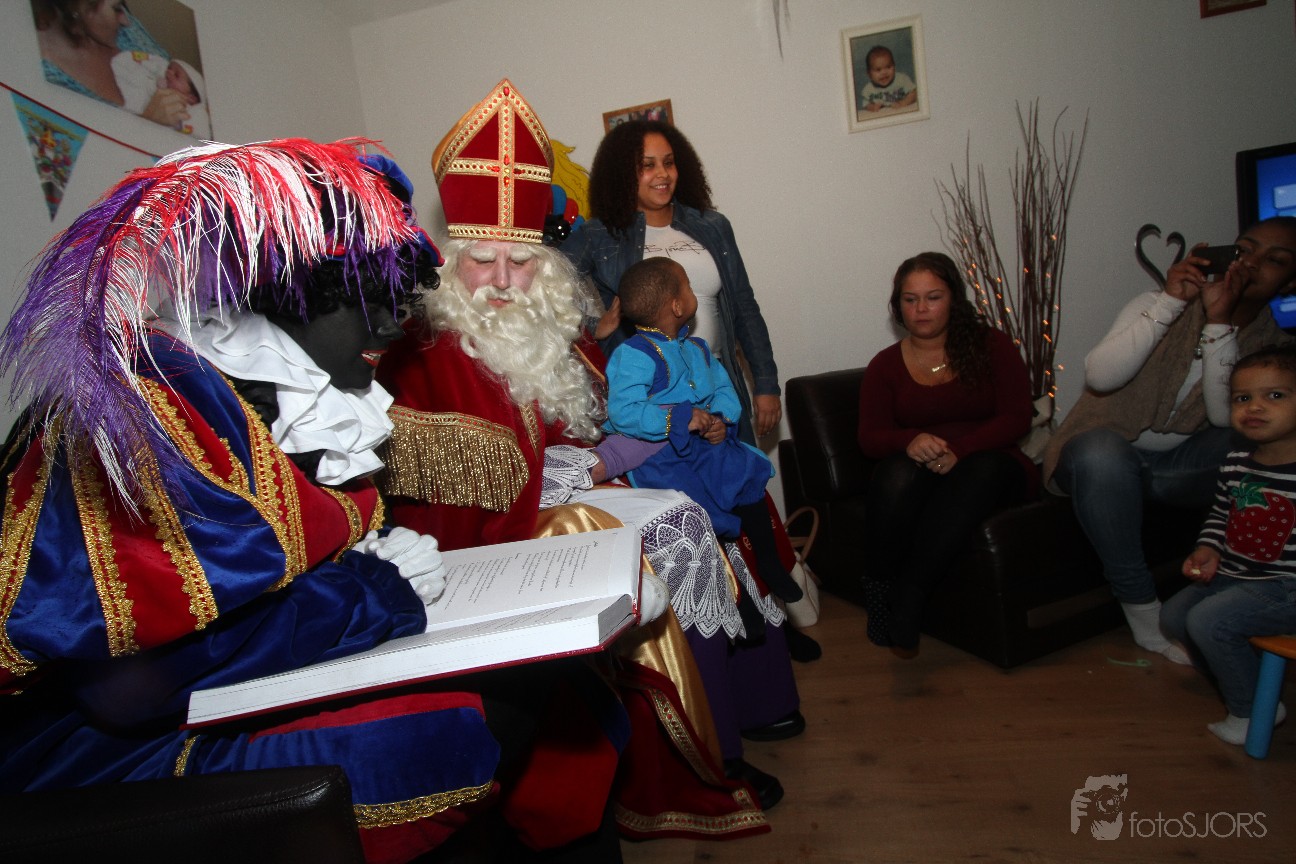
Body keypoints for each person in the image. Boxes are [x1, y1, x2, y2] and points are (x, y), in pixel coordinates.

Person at [0, 139, 628, 864]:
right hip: (96, 756)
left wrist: (364, 576)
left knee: (557, 688)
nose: (392, 327)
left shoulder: (294, 399)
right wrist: (367, 593)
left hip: (226, 698)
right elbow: (127, 691)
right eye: (368, 302)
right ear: (282, 296)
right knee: (461, 730)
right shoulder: (156, 411)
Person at [377, 78, 801, 824]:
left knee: (701, 506)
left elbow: (598, 419)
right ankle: (688, 763)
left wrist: (617, 456)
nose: (502, 282)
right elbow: (435, 492)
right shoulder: (421, 351)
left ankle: (736, 719)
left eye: (520, 262)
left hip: (580, 491)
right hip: (494, 546)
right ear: (451, 263)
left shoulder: (556, 331)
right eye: (483, 260)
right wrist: (581, 474)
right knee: (658, 533)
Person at [1043, 216, 1296, 664]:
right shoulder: (1157, 303)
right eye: (1245, 249)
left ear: (1289, 283)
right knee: (1101, 453)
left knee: (1251, 438)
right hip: (1101, 456)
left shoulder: (1273, 348)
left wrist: (1218, 324)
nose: (1253, 263)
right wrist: (1170, 302)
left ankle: (1246, 590)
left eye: (1274, 260)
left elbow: (1223, 417)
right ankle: (1142, 608)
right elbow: (1100, 377)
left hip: (1181, 469)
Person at [560, 119, 780, 448]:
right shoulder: (599, 235)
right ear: (623, 173)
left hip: (716, 386)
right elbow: (543, 287)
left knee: (737, 476)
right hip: (650, 402)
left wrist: (765, 383)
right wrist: (593, 326)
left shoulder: (713, 226)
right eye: (647, 165)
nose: (662, 174)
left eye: (668, 162)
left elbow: (744, 307)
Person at [857, 251, 1035, 658]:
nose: (921, 309)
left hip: (994, 464)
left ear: (954, 298)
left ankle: (911, 591)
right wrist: (909, 440)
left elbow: (1018, 417)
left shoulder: (992, 345)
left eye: (933, 297)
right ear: (898, 305)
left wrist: (962, 449)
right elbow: (869, 438)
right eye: (910, 299)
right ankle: (880, 589)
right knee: (894, 474)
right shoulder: (884, 366)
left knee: (981, 469)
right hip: (927, 472)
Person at [604, 256, 802, 607]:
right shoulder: (632, 354)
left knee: (746, 473)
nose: (693, 291)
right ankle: (735, 599)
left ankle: (769, 563)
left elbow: (723, 388)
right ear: (677, 306)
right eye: (688, 286)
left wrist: (720, 419)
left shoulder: (697, 348)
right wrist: (677, 419)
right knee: (701, 508)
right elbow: (624, 412)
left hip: (706, 445)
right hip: (664, 455)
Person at [1160, 345, 1296, 745]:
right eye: (1242, 398)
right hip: (1236, 576)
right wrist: (1209, 549)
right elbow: (1222, 514)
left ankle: (1252, 709)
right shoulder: (1237, 462)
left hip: (1287, 587)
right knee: (1173, 617)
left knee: (1209, 622)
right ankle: (1238, 669)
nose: (1254, 406)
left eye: (1275, 395)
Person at [30, 0, 193, 131]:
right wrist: (147, 122)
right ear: (79, 11)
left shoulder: (128, 32)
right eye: (116, 9)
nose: (126, 21)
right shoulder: (48, 76)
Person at [111, 50, 211, 137]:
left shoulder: (193, 112)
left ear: (191, 98)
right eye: (169, 68)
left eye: (176, 75)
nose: (168, 72)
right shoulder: (153, 84)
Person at [858, 45, 917, 113]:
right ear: (869, 74)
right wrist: (873, 107)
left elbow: (914, 93)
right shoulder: (869, 89)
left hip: (902, 110)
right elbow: (866, 104)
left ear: (894, 66)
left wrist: (903, 103)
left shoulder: (902, 79)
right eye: (878, 70)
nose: (884, 72)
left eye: (888, 67)